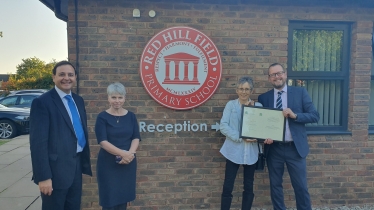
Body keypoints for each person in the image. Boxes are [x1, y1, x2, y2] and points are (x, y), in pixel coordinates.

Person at [29, 60, 92, 210]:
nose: (66, 78)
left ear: (75, 77)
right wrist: (43, 177)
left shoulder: (78, 100)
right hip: (54, 172)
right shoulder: (42, 103)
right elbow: (38, 144)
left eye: (70, 75)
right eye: (61, 74)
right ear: (53, 77)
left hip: (75, 166)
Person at [258, 63, 319, 210]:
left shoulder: (300, 93)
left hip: (295, 149)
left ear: (285, 74)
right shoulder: (264, 98)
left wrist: (295, 115)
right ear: (269, 78)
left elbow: (315, 116)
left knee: (301, 187)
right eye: (273, 75)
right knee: (275, 187)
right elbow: (260, 124)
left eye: (279, 73)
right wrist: (263, 137)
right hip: (274, 150)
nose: (277, 77)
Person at [219, 76, 273, 210]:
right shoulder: (230, 105)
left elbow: (262, 128)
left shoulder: (258, 106)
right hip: (233, 151)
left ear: (251, 91)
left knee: (249, 185)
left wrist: (262, 137)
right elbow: (224, 126)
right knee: (228, 185)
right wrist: (241, 137)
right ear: (237, 90)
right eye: (241, 89)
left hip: (250, 152)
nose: (244, 92)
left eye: (247, 89)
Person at [95, 82, 141, 210]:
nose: (117, 101)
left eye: (120, 97)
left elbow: (136, 138)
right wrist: (123, 154)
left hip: (127, 163)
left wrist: (130, 154)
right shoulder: (102, 117)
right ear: (108, 98)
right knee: (109, 201)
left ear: (124, 98)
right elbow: (103, 141)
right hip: (108, 164)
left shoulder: (131, 116)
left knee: (123, 200)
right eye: (113, 97)